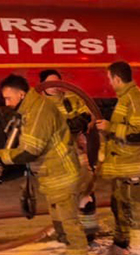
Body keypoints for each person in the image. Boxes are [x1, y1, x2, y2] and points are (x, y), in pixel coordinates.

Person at [0, 74, 92, 255]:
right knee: (62, 225)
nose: (6, 103)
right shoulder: (30, 110)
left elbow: (30, 151)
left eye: (9, 98)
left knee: (70, 224)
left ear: (21, 94)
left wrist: (0, 156)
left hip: (62, 175)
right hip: (53, 176)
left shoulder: (39, 112)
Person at [96, 61, 140, 255]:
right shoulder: (126, 98)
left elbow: (139, 133)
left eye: (110, 79)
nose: (109, 83)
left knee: (135, 208)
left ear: (117, 79)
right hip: (124, 166)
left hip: (133, 166)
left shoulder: (135, 98)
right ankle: (124, 241)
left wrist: (110, 127)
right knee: (120, 204)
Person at [40, 68, 101, 237]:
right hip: (54, 157)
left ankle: (89, 230)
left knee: (86, 187)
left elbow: (88, 114)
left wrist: (82, 120)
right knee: (57, 196)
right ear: (43, 85)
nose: (55, 87)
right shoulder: (39, 105)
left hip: (77, 151)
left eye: (58, 82)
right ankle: (63, 232)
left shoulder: (72, 98)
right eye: (51, 83)